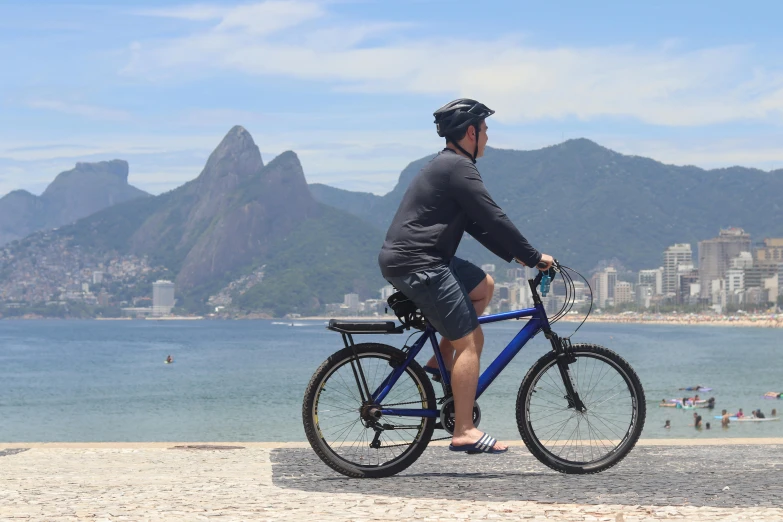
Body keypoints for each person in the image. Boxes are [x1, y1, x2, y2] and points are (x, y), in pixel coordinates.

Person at [378, 98, 553, 454]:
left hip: (421, 258)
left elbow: (475, 224)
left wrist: (517, 255)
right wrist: (535, 257)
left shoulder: (449, 167)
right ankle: (464, 430)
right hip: (420, 261)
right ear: (471, 132)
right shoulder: (458, 168)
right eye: (485, 130)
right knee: (471, 342)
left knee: (483, 287)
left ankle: (439, 363)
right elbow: (494, 217)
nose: (487, 138)